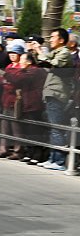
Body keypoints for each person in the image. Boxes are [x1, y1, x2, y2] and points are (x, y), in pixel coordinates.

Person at [32, 28, 74, 170]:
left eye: (53, 37)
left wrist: (39, 51)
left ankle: (60, 161)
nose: (50, 39)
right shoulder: (56, 52)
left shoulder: (64, 52)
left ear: (61, 40)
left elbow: (53, 63)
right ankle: (53, 158)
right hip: (51, 92)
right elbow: (43, 62)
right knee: (53, 128)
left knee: (57, 128)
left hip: (58, 93)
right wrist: (37, 52)